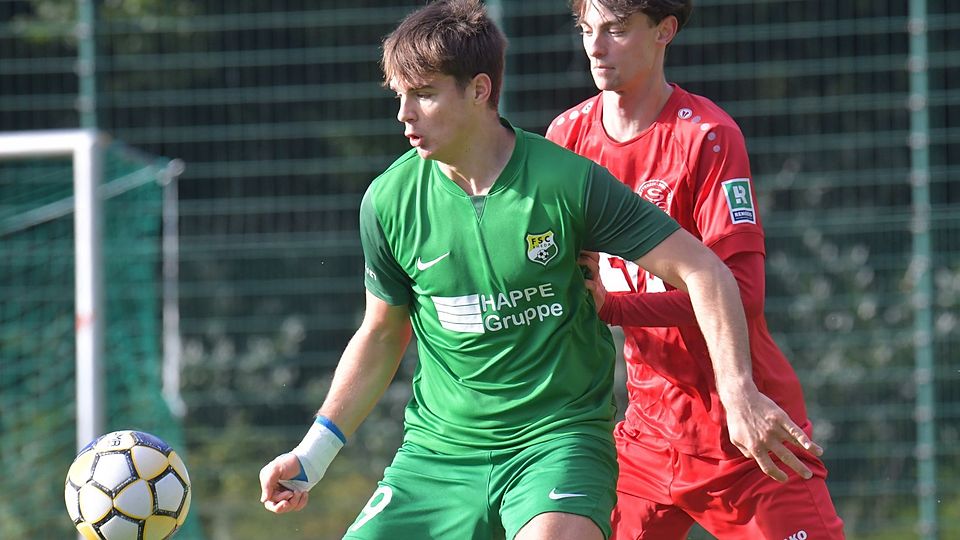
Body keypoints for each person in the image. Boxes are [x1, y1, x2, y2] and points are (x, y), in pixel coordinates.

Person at [259, 1, 818, 539]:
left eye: (424, 95)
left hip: (675, 436)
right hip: (599, 439)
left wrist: (734, 386)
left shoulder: (675, 145)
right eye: (584, 28)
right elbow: (381, 332)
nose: (403, 114)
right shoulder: (404, 194)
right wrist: (314, 451)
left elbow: (725, 282)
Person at [546, 1, 846, 538]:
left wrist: (613, 306)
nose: (595, 46)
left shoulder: (706, 135)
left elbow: (742, 291)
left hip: (744, 435)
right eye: (586, 29)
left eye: (615, 30)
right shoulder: (568, 137)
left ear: (665, 31)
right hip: (646, 439)